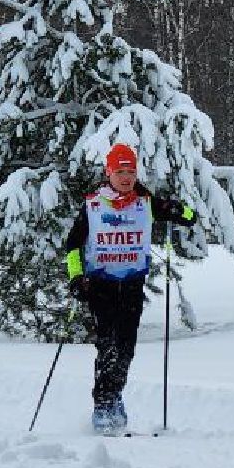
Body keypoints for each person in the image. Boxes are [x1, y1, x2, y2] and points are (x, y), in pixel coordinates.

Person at [63, 143, 197, 431]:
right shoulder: (93, 205)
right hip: (102, 285)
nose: (126, 178)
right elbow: (72, 245)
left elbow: (188, 216)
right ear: (109, 173)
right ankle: (102, 405)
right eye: (120, 172)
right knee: (107, 345)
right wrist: (76, 278)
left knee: (126, 348)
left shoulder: (145, 202)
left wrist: (179, 210)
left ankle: (114, 396)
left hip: (133, 285)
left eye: (131, 172)